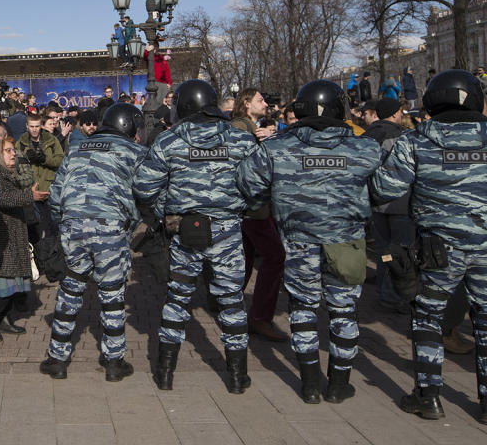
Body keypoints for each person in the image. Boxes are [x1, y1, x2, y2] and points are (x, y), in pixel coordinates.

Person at [236, 80, 382, 404]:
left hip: (298, 240)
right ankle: (339, 384)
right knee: (344, 312)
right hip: (347, 242)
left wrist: (272, 197)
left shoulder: (277, 147)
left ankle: (310, 385)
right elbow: (383, 190)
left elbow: (246, 182)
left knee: (302, 309)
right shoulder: (365, 148)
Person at [370, 70, 487, 423]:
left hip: (438, 249)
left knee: (427, 319)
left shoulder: (416, 140)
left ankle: (428, 396)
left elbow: (384, 190)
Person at [133, 80, 257, 394]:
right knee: (231, 302)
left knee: (177, 300)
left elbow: (144, 189)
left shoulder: (168, 140)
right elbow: (258, 188)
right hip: (227, 229)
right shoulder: (241, 139)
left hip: (183, 229)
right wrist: (235, 209)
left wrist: (168, 214)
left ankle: (165, 374)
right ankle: (238, 377)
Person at [40, 103, 146, 382]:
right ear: (131, 127)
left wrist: (63, 224)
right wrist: (130, 226)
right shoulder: (135, 152)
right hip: (110, 229)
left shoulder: (77, 148)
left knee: (70, 289)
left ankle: (57, 359)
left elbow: (56, 195)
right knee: (112, 294)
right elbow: (147, 194)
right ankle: (114, 362)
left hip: (73, 226)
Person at [0, 136, 47, 341]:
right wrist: (29, 197)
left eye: (13, 150)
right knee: (3, 287)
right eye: (8, 151)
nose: (13, 153)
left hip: (11, 236)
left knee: (13, 286)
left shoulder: (7, 173)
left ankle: (2, 320)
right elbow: (0, 198)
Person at [230, 88, 287, 342]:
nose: (265, 104)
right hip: (252, 206)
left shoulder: (251, 127)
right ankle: (260, 317)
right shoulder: (242, 128)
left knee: (244, 259)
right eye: (260, 100)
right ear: (246, 103)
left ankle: (229, 308)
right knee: (275, 256)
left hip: (249, 206)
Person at [362, 98, 414, 315]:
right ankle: (396, 296)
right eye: (400, 112)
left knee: (384, 251)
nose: (402, 115)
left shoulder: (366, 136)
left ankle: (385, 293)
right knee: (401, 252)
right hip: (400, 204)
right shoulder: (401, 136)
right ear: (394, 114)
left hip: (376, 205)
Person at [16, 111, 64, 244]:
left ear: (41, 126)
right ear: (26, 126)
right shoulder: (21, 142)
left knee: (52, 227)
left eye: (37, 126)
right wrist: (26, 159)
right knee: (34, 229)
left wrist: (45, 159)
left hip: (49, 189)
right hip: (30, 189)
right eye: (31, 126)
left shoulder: (51, 140)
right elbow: (15, 165)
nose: (34, 129)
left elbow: (61, 159)